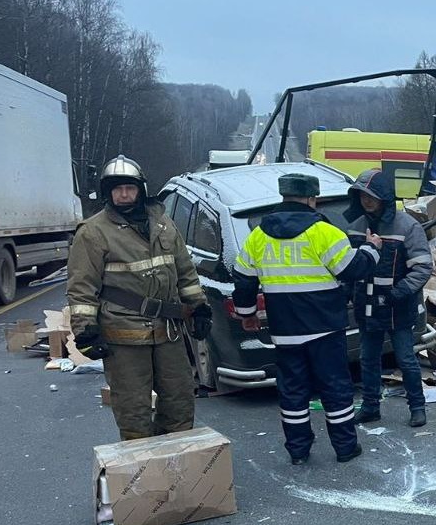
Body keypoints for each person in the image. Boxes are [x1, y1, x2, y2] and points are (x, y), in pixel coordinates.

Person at [232, 172, 382, 464]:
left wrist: (247, 315)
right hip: (325, 327)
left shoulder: (258, 236)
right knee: (335, 387)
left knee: (292, 392)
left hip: (284, 330)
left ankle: (298, 450)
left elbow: (244, 281)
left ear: (283, 196)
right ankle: (345, 447)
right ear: (313, 199)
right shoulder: (324, 233)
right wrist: (371, 249)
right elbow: (352, 270)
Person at [67, 154, 212, 440]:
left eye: (129, 187)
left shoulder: (162, 224)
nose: (124, 193)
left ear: (141, 189)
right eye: (117, 188)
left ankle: (177, 469)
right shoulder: (93, 232)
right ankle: (143, 474)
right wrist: (85, 331)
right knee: (133, 411)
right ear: (108, 192)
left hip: (168, 332)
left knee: (180, 402)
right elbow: (82, 286)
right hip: (124, 337)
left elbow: (184, 270)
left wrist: (199, 308)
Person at [343, 168, 433, 428]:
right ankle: (371, 407)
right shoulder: (356, 227)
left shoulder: (407, 226)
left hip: (397, 307)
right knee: (368, 359)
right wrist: (347, 294)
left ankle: (417, 407)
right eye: (361, 195)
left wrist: (399, 293)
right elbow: (351, 267)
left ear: (384, 196)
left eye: (371, 195)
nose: (366, 200)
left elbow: (423, 267)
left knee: (406, 359)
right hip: (367, 307)